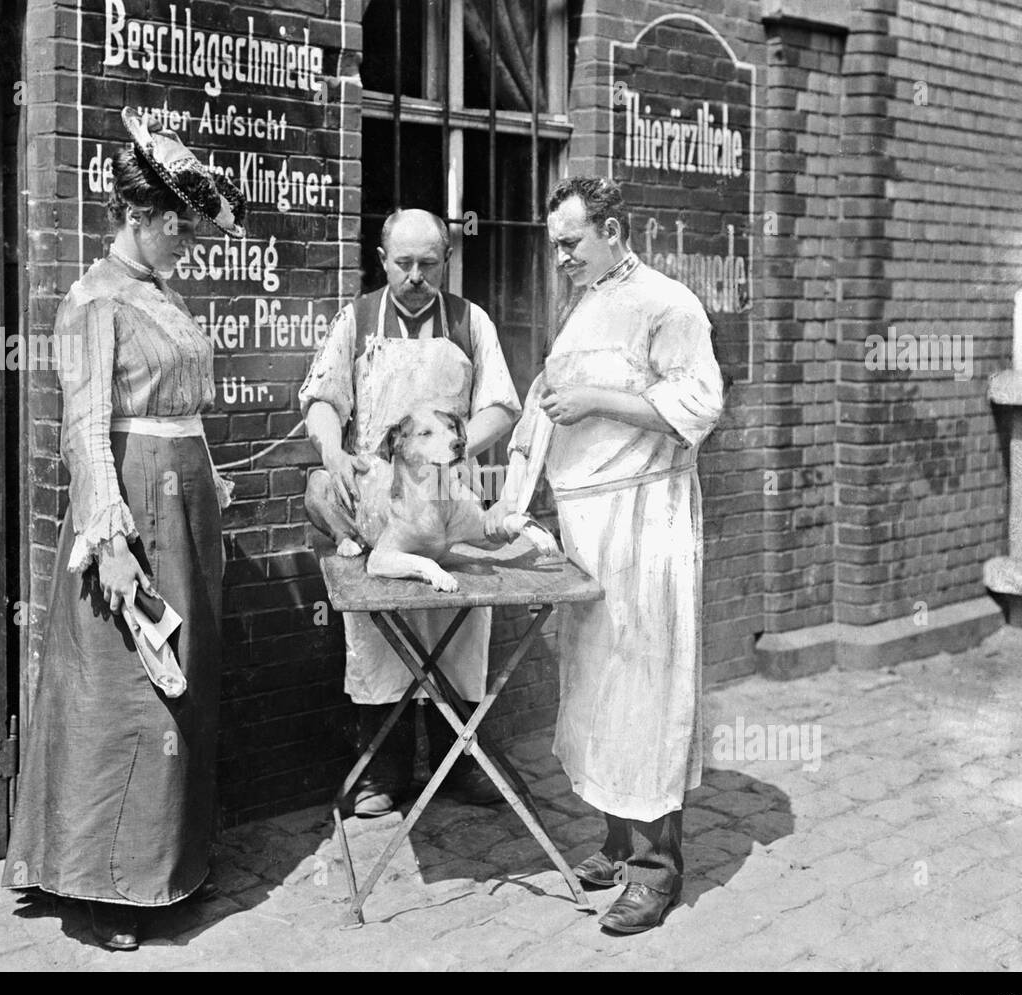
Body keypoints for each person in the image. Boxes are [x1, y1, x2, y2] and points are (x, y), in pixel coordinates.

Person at [2, 108, 245, 951]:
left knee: (176, 684)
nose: (189, 243)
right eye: (179, 229)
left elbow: (184, 412)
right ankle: (101, 887)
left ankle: (161, 867)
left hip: (184, 505)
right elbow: (84, 425)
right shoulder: (93, 299)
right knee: (124, 687)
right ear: (138, 219)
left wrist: (208, 484)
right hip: (133, 510)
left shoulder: (160, 295)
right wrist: (107, 541)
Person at [486, 175, 725, 934]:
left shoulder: (669, 303)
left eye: (571, 242)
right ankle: (619, 844)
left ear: (613, 228)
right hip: (591, 524)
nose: (559, 258)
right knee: (595, 681)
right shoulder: (587, 303)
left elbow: (699, 404)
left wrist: (595, 403)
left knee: (645, 681)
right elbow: (545, 399)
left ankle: (658, 870)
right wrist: (514, 500)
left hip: (646, 519)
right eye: (555, 245)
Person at [299, 208, 521, 817]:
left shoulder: (471, 322)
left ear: (446, 260)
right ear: (382, 258)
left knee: (460, 625)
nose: (416, 276)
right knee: (379, 630)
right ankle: (386, 770)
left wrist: (452, 453)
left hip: (449, 500)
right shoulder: (358, 320)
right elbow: (321, 398)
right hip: (383, 500)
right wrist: (333, 452)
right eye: (404, 263)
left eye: (429, 263)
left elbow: (501, 406)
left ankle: (461, 763)